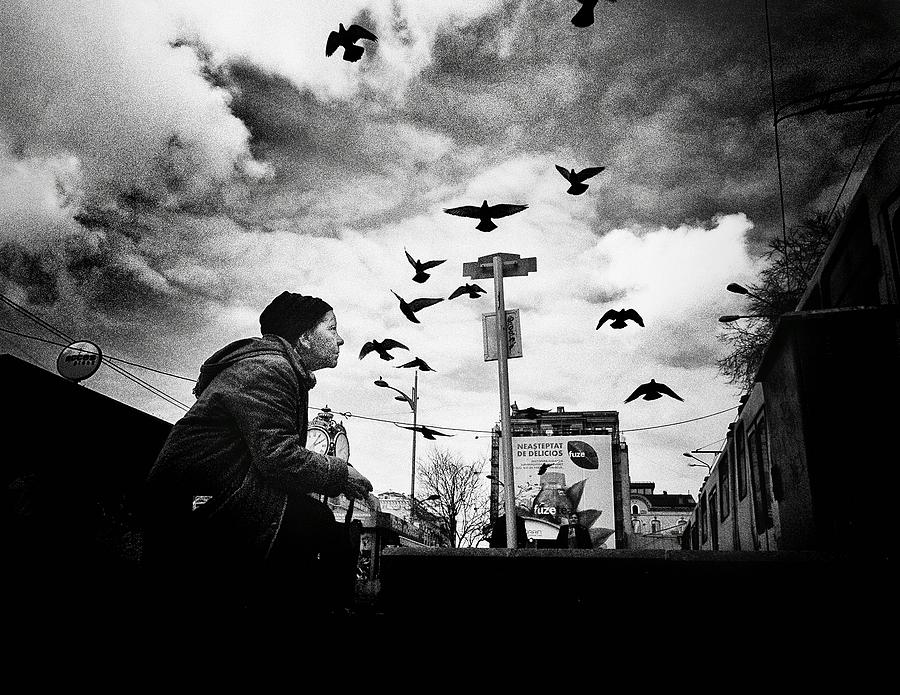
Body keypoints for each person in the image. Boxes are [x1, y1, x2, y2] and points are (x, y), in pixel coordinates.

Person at [142, 291, 373, 621]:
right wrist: (341, 474)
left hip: (202, 495)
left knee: (313, 523)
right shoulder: (271, 369)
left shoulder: (275, 367)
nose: (341, 340)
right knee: (317, 527)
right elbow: (278, 457)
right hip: (200, 500)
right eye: (331, 328)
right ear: (305, 338)